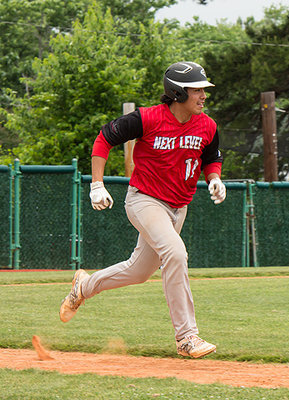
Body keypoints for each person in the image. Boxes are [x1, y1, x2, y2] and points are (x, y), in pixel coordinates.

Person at [59, 61, 226, 359]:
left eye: (204, 90)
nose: (203, 96)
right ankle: (187, 337)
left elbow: (211, 157)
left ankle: (83, 287)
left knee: (138, 271)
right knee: (175, 253)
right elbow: (104, 138)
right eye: (197, 90)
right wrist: (96, 184)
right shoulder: (146, 118)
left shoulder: (208, 126)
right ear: (177, 92)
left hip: (178, 207)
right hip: (145, 200)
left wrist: (214, 179)